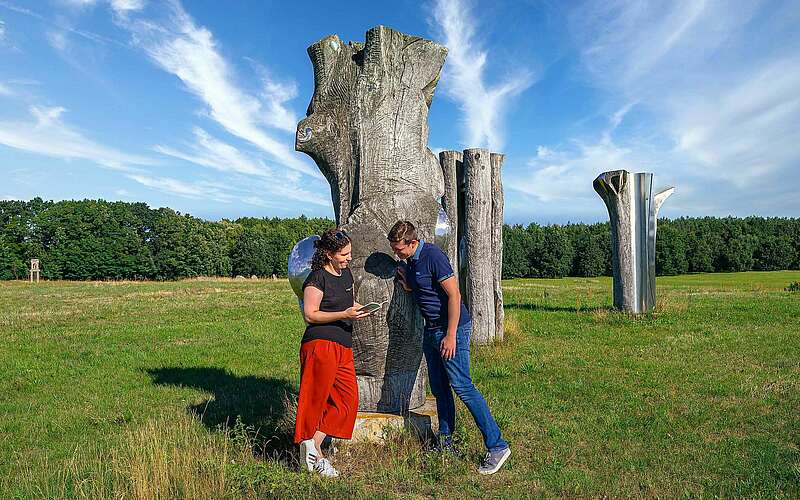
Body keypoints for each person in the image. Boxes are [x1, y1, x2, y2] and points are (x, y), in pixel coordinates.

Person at [388, 220, 511, 475]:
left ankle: (497, 446)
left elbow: (454, 295)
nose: (396, 254)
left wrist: (451, 335)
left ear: (412, 243)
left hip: (451, 329)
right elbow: (422, 288)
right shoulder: (411, 261)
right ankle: (445, 443)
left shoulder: (434, 256)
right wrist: (408, 283)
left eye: (399, 249)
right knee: (440, 389)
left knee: (462, 387)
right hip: (430, 330)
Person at [295, 228, 370, 478]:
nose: (349, 258)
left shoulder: (345, 274)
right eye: (344, 254)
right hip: (320, 345)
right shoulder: (317, 278)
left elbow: (345, 305)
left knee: (347, 402)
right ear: (328, 254)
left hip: (343, 346)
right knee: (315, 400)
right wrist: (344, 315)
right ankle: (315, 455)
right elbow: (310, 314)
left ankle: (312, 444)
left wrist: (358, 309)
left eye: (350, 253)